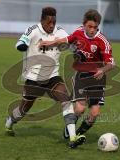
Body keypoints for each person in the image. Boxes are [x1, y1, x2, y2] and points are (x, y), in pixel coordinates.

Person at [5, 7, 86, 149]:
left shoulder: (60, 32)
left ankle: (73, 137)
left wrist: (78, 53)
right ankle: (10, 122)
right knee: (24, 109)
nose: (51, 25)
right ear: (42, 20)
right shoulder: (33, 30)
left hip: (53, 78)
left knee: (66, 100)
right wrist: (23, 46)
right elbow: (19, 43)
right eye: (48, 22)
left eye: (53, 22)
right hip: (33, 79)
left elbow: (73, 46)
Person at [40, 9, 115, 141]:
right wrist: (50, 42)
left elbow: (111, 63)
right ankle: (71, 129)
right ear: (84, 24)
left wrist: (102, 70)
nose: (92, 30)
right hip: (82, 76)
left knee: (94, 113)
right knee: (80, 109)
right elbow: (68, 39)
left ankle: (78, 133)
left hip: (97, 78)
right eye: (89, 26)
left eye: (95, 27)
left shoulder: (102, 41)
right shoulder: (79, 32)